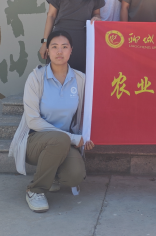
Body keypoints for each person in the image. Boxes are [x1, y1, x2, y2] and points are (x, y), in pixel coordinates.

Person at [9, 30, 95, 213]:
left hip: (64, 143)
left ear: (71, 50)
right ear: (47, 51)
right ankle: (35, 190)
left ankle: (52, 175)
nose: (59, 51)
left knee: (75, 176)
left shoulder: (80, 79)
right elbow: (33, 121)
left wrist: (87, 136)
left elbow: (88, 113)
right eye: (54, 47)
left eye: (64, 47)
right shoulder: (36, 78)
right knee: (60, 139)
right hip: (35, 141)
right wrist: (73, 138)